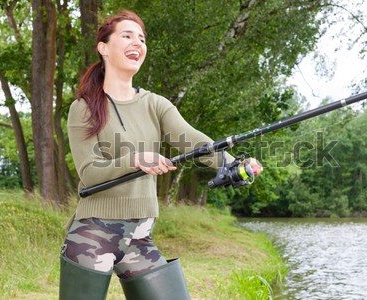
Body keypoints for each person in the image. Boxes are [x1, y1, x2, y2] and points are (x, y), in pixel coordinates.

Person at [60, 9, 262, 300]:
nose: (137, 43)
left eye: (141, 39)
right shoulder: (84, 107)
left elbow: (193, 141)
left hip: (140, 236)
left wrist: (235, 164)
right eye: (126, 36)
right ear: (103, 47)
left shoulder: (155, 104)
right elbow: (89, 172)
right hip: (91, 235)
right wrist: (134, 159)